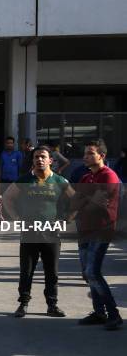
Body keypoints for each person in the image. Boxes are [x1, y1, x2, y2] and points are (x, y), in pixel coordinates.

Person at [3, 145, 74, 318]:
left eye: (43, 156)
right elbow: (7, 198)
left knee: (52, 272)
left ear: (50, 160)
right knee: (26, 270)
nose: (39, 160)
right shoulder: (24, 180)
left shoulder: (60, 181)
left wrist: (66, 219)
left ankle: (52, 305)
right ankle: (23, 303)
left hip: (51, 233)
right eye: (36, 157)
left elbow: (76, 201)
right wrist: (17, 218)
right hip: (29, 233)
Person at [71, 140, 123, 330]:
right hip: (84, 230)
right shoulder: (86, 178)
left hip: (101, 230)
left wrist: (86, 200)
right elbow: (75, 204)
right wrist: (87, 200)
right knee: (87, 274)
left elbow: (96, 205)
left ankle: (114, 315)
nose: (85, 157)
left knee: (93, 272)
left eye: (90, 153)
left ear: (101, 155)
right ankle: (99, 312)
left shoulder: (109, 176)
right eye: (85, 153)